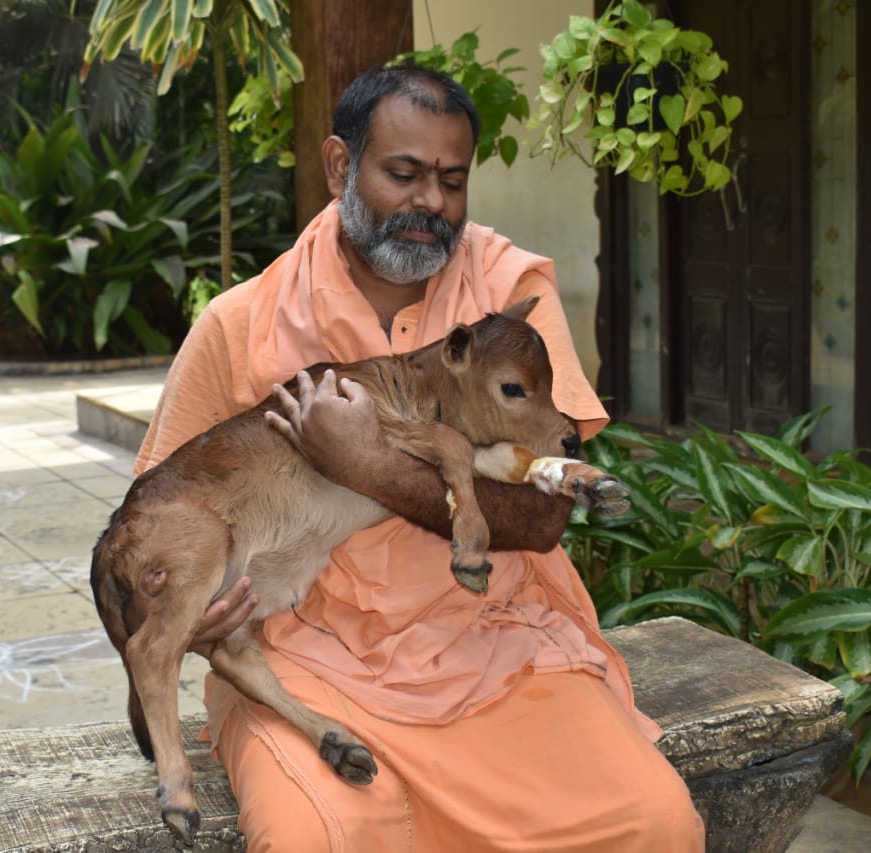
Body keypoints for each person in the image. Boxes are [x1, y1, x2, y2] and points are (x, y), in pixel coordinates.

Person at [133, 62, 705, 852]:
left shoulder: (509, 295)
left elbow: (542, 518)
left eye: (452, 180)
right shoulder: (242, 325)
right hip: (307, 660)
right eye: (403, 174)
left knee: (655, 822)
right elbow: (157, 525)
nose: (431, 201)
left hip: (501, 642)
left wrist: (367, 463)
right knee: (310, 838)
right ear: (340, 165)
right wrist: (195, 610)